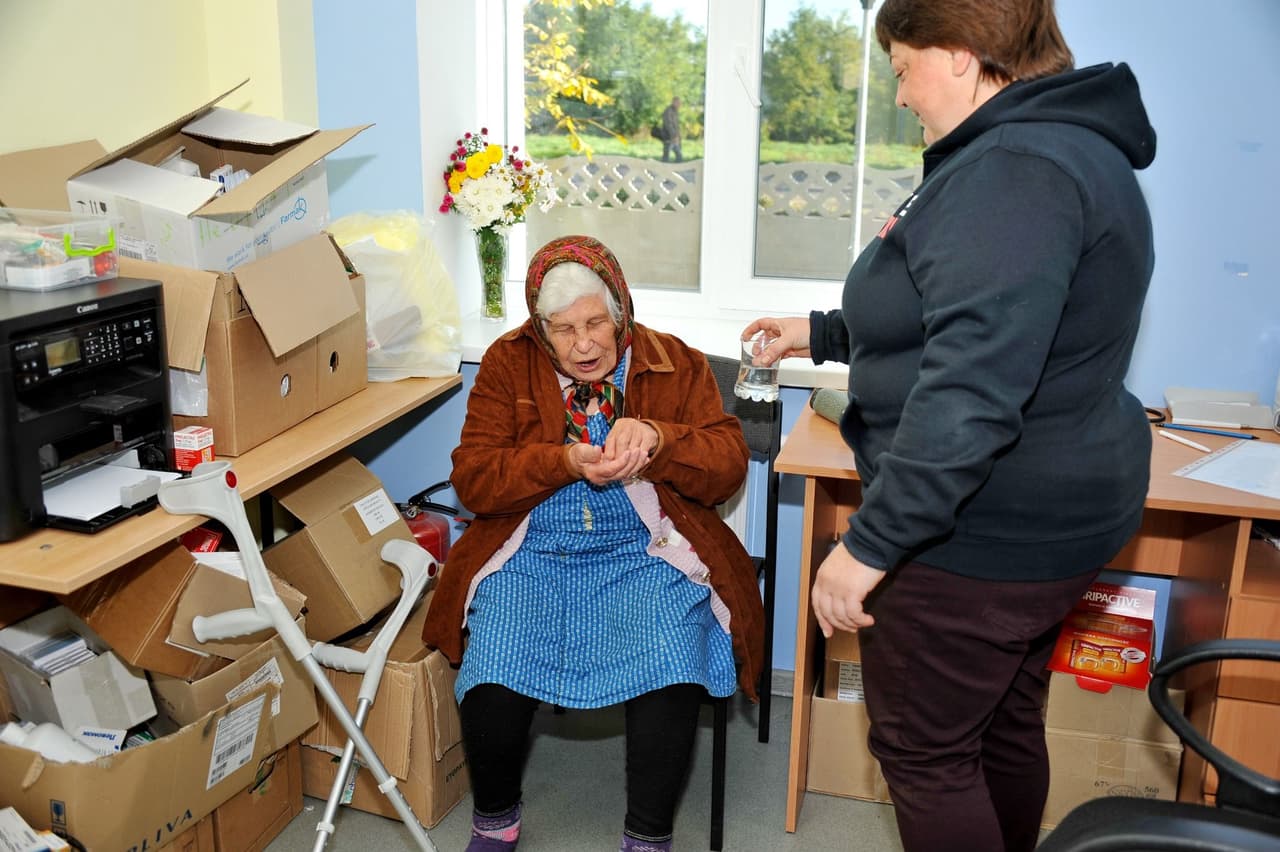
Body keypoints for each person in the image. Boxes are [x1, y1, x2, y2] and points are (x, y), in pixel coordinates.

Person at [742, 1, 1156, 850]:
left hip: (979, 531)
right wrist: (819, 333)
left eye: (902, 69)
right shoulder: (1061, 146)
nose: (900, 97)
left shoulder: (1016, 169)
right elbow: (956, 309)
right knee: (1001, 722)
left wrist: (868, 548)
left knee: (923, 752)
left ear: (961, 54)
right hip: (1052, 517)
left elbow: (970, 385)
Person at [424, 235, 764, 852]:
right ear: (539, 330)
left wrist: (661, 438)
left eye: (594, 324)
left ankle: (647, 838)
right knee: (493, 666)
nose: (582, 344)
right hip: (534, 548)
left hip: (648, 550)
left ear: (620, 314)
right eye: (561, 330)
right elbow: (472, 477)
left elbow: (728, 466)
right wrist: (563, 460)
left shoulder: (674, 362)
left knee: (669, 664)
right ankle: (496, 820)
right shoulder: (507, 363)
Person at [660, 96, 682, 163]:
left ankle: (677, 168)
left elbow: (676, 125)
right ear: (673, 102)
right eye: (678, 103)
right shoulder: (668, 110)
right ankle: (663, 169)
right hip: (668, 137)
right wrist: (674, 135)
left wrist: (678, 135)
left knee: (679, 155)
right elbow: (668, 124)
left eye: (680, 103)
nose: (679, 105)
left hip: (674, 137)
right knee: (666, 156)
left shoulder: (675, 111)